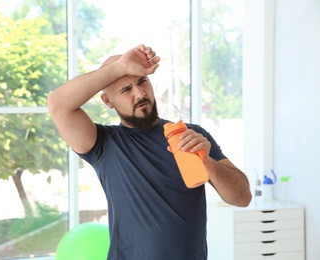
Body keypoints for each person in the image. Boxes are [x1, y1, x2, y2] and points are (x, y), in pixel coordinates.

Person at [47, 44, 252, 259]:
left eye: (142, 81)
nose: (140, 94)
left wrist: (207, 161)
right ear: (108, 101)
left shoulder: (191, 134)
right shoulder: (103, 144)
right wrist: (120, 66)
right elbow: (58, 104)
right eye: (126, 90)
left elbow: (242, 197)